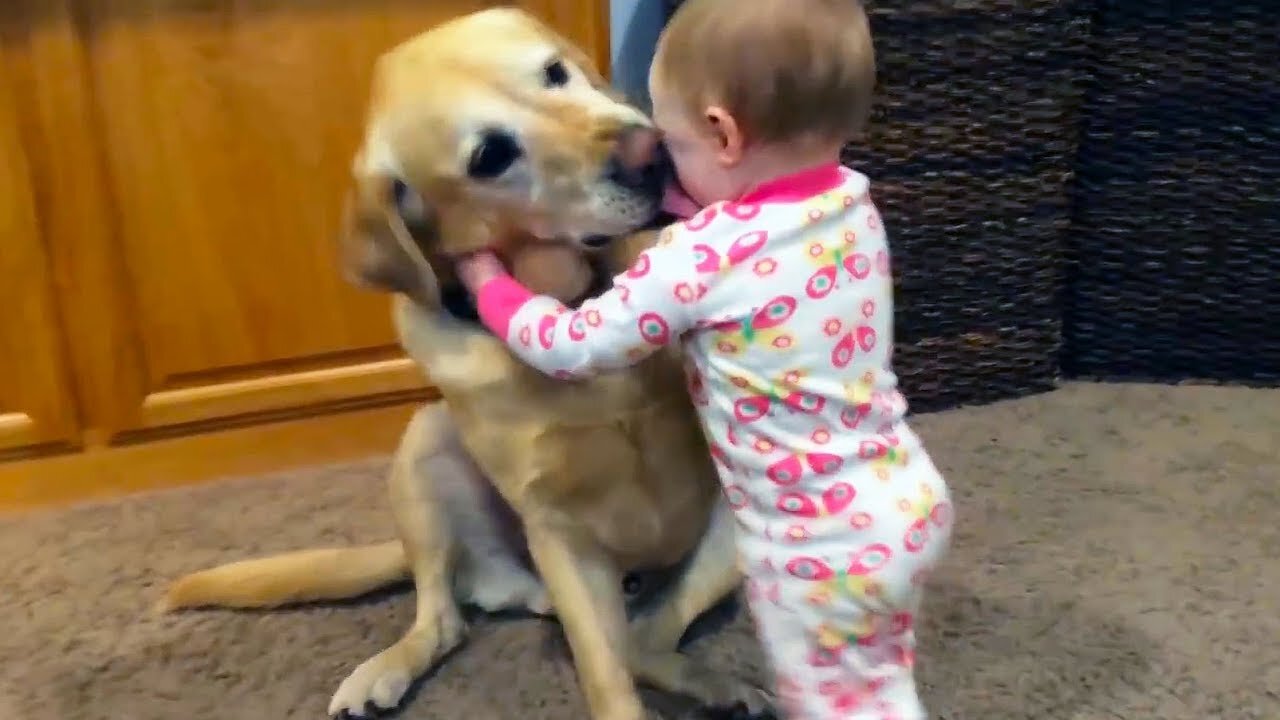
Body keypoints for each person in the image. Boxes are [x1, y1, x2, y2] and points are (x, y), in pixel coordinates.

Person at [456, 1, 952, 717]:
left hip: (818, 547)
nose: (666, 168)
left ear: (722, 134)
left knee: (835, 701)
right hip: (900, 499)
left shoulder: (699, 259)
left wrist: (491, 288)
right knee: (874, 673)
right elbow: (760, 265)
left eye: (675, 145)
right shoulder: (849, 202)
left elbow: (574, 346)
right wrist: (705, 211)